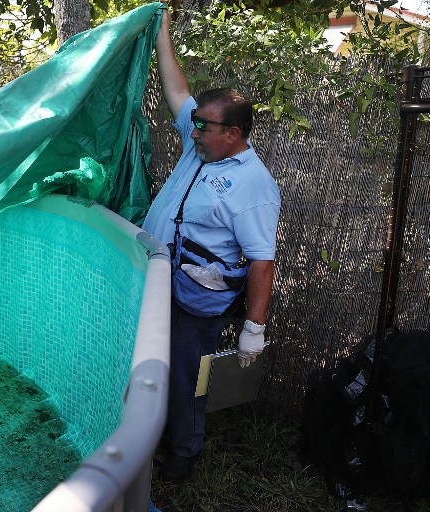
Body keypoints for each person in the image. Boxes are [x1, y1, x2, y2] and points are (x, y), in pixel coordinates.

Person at [142, 4, 281, 483]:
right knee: (149, 362)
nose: (192, 129)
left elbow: (262, 259)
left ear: (234, 134)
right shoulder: (200, 142)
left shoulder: (254, 186)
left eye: (203, 125)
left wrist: (254, 327)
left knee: (187, 372)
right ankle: (152, 433)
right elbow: (175, 89)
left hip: (197, 295)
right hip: (157, 279)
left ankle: (185, 448)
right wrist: (162, 31)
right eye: (194, 121)